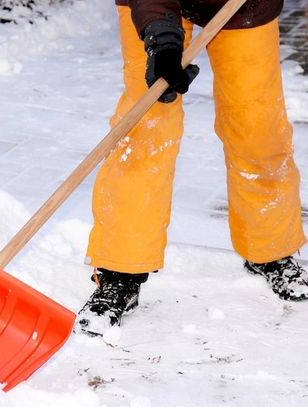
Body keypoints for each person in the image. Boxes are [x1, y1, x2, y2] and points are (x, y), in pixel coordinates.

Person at [77, 0, 308, 336]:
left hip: (246, 5)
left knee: (258, 128)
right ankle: (120, 270)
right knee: (145, 129)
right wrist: (161, 38)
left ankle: (270, 248)